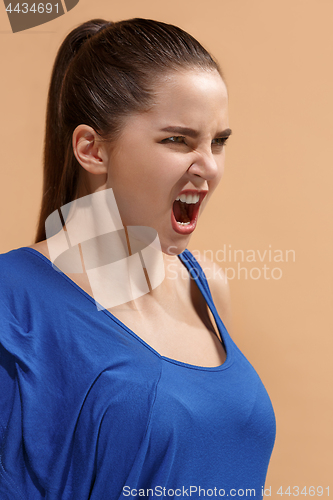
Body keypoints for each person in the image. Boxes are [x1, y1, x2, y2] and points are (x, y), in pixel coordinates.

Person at [0, 18, 275, 499]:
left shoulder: (206, 286)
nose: (209, 165)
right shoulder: (13, 302)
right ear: (92, 149)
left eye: (219, 141)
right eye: (178, 140)